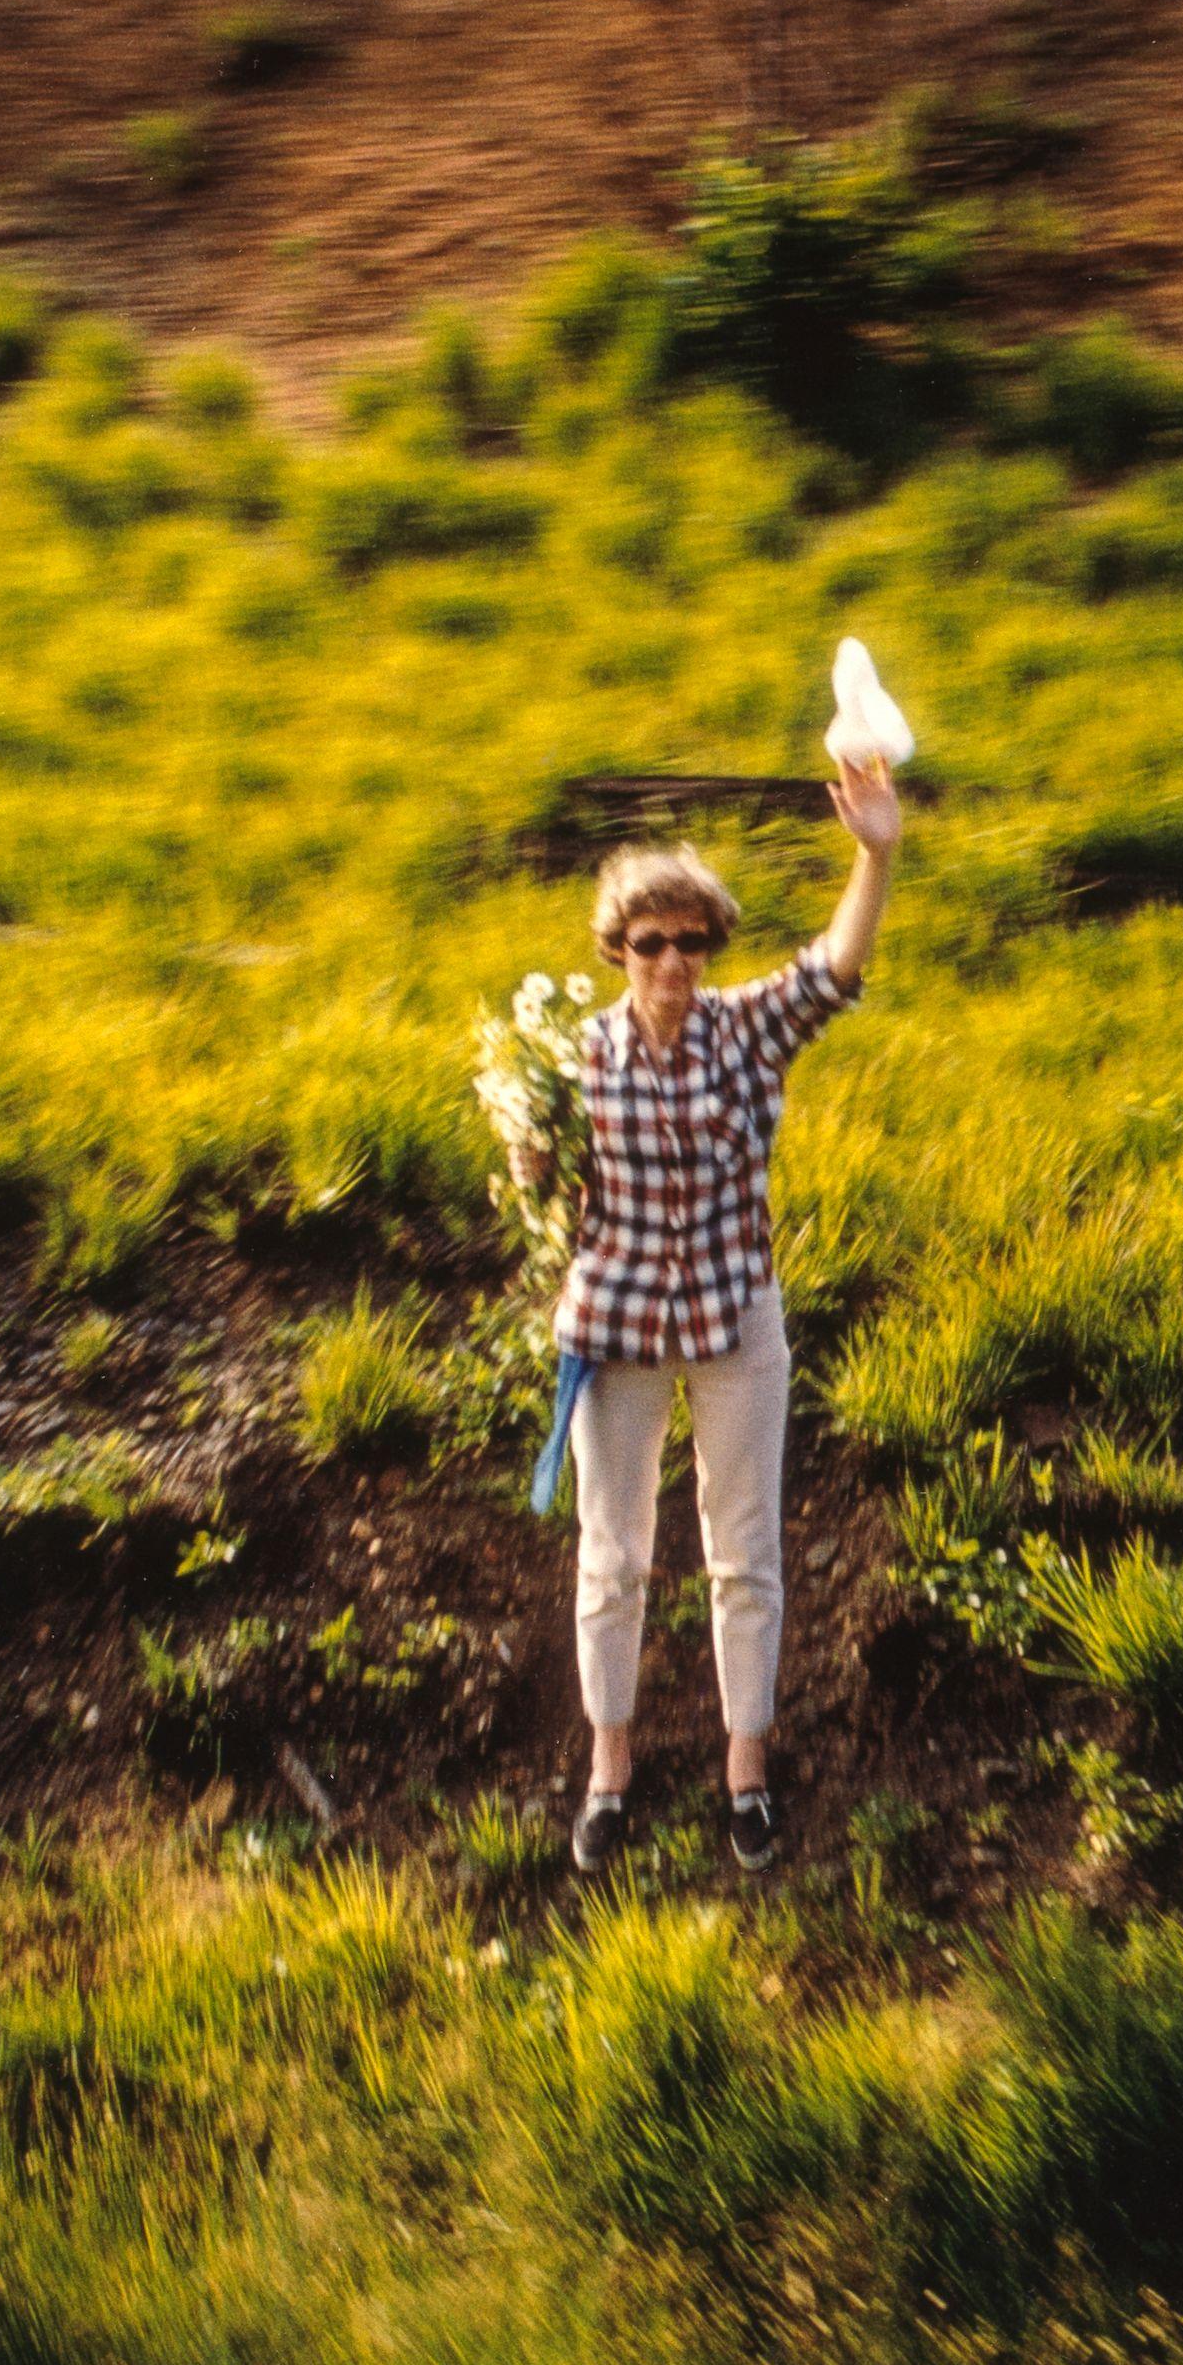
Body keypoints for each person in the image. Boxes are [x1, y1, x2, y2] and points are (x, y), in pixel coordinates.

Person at [511, 748, 900, 1874]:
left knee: (745, 1551)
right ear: (616, 951)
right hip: (616, 1329)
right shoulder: (573, 1056)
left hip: (735, 1319)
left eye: (692, 941)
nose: (674, 961)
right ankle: (609, 1772)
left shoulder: (746, 1033)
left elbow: (833, 969)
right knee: (612, 1554)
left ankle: (746, 1774)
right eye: (650, 942)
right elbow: (540, 1185)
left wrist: (873, 853)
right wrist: (529, 1157)